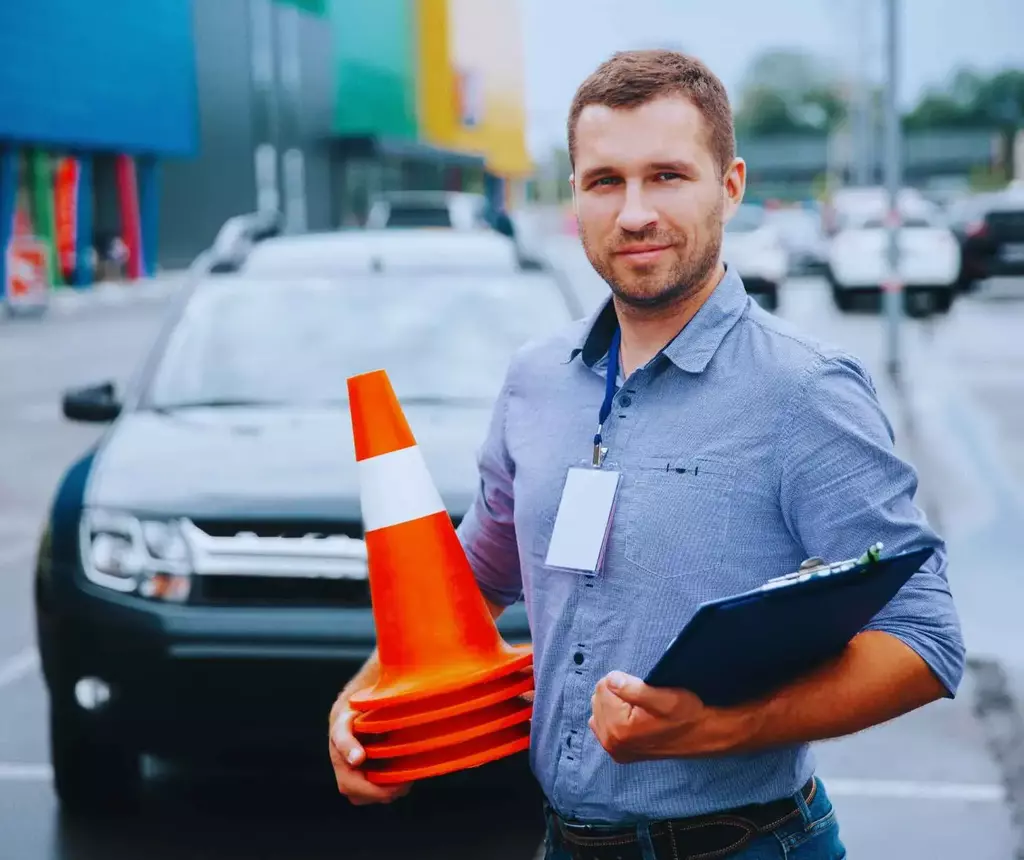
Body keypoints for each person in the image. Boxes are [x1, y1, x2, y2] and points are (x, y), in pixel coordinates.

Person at [328, 49, 964, 859]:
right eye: (605, 181)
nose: (633, 213)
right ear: (575, 197)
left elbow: (925, 639)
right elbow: (470, 586)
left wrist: (722, 728)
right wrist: (360, 702)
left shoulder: (805, 392)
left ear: (729, 186)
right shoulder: (535, 381)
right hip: (565, 843)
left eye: (667, 175)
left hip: (746, 845)